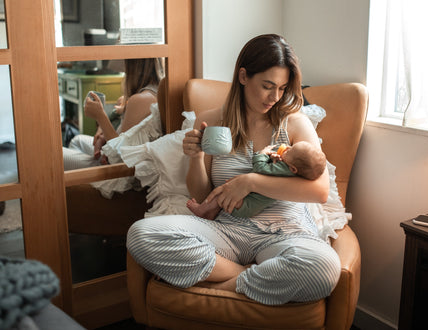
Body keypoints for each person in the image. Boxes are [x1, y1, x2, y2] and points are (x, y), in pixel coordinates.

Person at [127, 34, 341, 305]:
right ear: (243, 76)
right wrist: (196, 156)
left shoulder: (296, 123)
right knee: (141, 234)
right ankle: (245, 276)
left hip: (286, 232)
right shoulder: (209, 120)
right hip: (227, 232)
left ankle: (227, 283)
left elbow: (320, 191)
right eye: (267, 86)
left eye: (282, 88)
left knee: (323, 268)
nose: (275, 97)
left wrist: (251, 182)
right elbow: (202, 194)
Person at [63, 58, 163, 170]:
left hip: (118, 172)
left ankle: (85, 176)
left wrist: (100, 116)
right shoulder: (153, 90)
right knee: (77, 141)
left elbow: (120, 156)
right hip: (112, 156)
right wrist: (102, 133)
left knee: (59, 156)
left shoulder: (140, 100)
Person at [186, 141, 326, 219]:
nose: (286, 148)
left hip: (247, 205)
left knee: (224, 192)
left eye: (289, 151)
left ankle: (203, 209)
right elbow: (271, 173)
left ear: (293, 169)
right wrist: (274, 160)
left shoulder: (284, 170)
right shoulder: (290, 172)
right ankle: (211, 212)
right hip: (249, 204)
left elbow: (260, 169)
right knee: (224, 193)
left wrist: (262, 154)